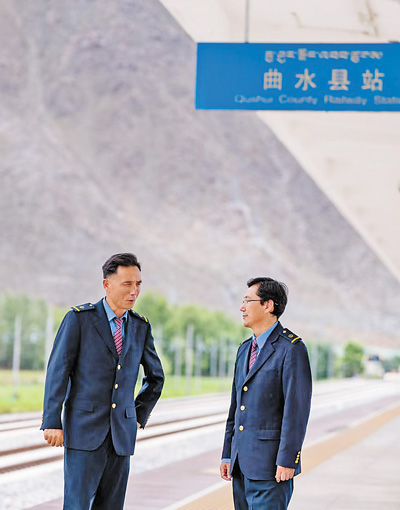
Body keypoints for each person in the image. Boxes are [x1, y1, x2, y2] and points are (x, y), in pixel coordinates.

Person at [41, 253, 164, 510]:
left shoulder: (140, 326)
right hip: (83, 432)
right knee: (77, 505)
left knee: (112, 506)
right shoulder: (79, 319)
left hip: (121, 437)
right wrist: (52, 421)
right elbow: (58, 372)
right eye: (127, 284)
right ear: (107, 284)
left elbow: (156, 378)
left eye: (138, 284)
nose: (134, 291)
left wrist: (137, 415)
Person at [220, 277, 312, 510]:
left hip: (271, 468)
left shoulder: (291, 349)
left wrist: (288, 460)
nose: (242, 307)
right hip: (241, 466)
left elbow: (296, 411)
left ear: (268, 305)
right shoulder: (244, 350)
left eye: (247, 301)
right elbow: (236, 407)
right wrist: (228, 454)